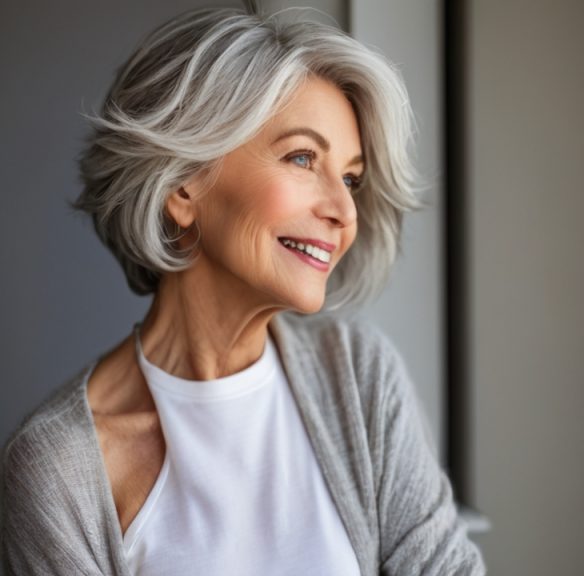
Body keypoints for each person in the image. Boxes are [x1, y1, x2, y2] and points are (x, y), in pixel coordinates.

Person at [1, 5, 484, 575]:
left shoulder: (360, 376)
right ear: (183, 185)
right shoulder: (58, 469)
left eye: (351, 178)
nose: (344, 210)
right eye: (303, 157)